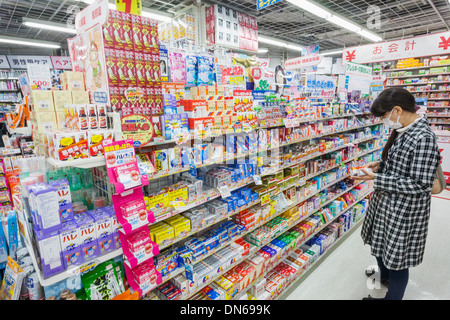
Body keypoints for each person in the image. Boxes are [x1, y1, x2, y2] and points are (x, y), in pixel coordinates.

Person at [351, 87, 441, 300]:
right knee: (382, 245)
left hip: (405, 211)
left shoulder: (423, 137)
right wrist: (380, 165)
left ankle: (393, 293)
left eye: (383, 116)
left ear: (397, 110)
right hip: (389, 203)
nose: (384, 120)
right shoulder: (405, 129)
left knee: (398, 259)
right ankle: (385, 276)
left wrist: (377, 178)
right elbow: (401, 165)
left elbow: (420, 184)